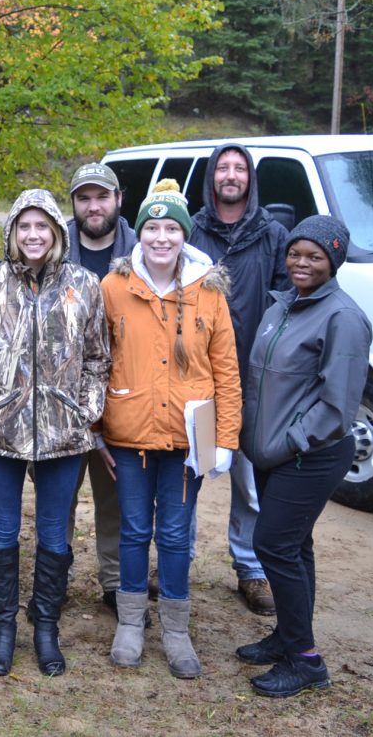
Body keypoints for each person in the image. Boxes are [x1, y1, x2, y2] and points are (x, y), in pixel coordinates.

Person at [0, 189, 110, 676]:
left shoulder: (84, 286)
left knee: (53, 535)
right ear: (12, 233)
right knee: (1, 531)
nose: (34, 235)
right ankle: (4, 627)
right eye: (25, 226)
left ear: (57, 234)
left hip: (64, 434)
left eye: (43, 227)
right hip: (1, 432)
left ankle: (45, 626)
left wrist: (85, 409)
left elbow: (98, 358)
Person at [101, 180, 241, 679]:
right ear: (139, 233)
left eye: (171, 229)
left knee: (177, 535)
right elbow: (99, 359)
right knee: (135, 531)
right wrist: (98, 428)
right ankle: (131, 623)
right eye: (152, 228)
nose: (161, 238)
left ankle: (177, 629)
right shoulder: (115, 288)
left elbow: (226, 370)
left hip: (190, 437)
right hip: (130, 432)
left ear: (185, 234)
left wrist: (225, 439)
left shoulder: (209, 290)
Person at [237, 216, 371, 698]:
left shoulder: (342, 317)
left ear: (333, 261)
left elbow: (338, 404)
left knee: (273, 544)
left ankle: (306, 659)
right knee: (296, 546)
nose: (301, 263)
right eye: (296, 253)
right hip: (272, 452)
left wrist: (290, 442)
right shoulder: (283, 306)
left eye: (315, 256)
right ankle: (287, 637)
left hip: (308, 455)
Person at [189, 143, 289, 616]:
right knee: (188, 475)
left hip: (252, 379)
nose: (231, 175)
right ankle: (177, 560)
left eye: (239, 168)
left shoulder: (272, 233)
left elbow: (289, 299)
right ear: (211, 177)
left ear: (250, 178)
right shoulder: (190, 230)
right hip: (195, 381)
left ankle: (250, 569)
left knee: (248, 483)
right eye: (223, 168)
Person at [64, 163, 136, 614]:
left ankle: (114, 582)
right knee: (59, 496)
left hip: (122, 398)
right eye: (84, 197)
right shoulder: (54, 247)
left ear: (118, 199)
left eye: (102, 196)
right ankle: (57, 574)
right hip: (64, 399)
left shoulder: (143, 251)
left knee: (116, 497)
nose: (94, 206)